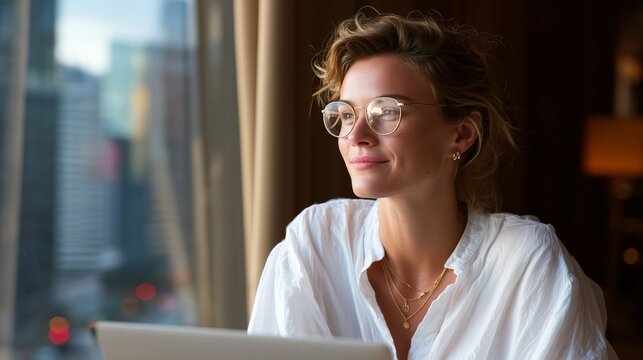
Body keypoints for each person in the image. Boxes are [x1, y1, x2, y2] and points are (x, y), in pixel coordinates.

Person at [247, 9, 618, 360]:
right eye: (345, 114)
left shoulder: (528, 265)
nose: (355, 134)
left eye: (386, 111)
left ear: (461, 134)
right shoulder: (313, 247)